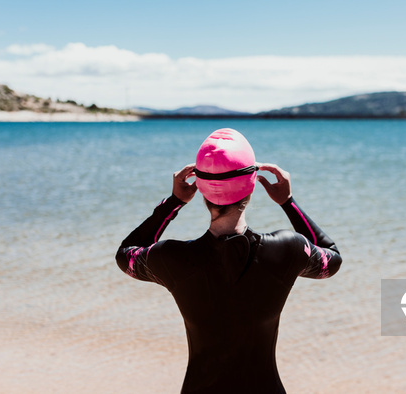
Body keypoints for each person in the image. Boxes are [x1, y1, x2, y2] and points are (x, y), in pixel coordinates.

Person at [115, 128, 342, 393]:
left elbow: (126, 254)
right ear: (253, 183)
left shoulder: (172, 258)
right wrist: (288, 202)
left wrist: (173, 203)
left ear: (199, 188)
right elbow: (331, 259)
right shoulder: (289, 249)